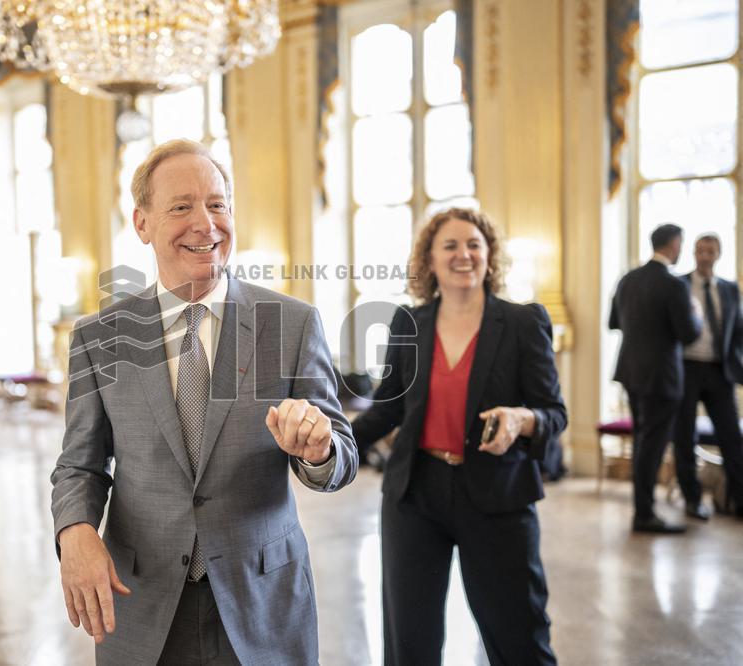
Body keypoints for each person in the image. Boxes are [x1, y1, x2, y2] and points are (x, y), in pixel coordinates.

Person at [50, 139, 358, 665]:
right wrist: (75, 530)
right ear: (142, 223)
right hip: (142, 604)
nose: (205, 223)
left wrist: (319, 450)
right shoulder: (98, 337)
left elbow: (342, 454)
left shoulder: (292, 323)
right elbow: (80, 463)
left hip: (262, 601)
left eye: (217, 204)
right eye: (181, 207)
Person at [352, 208, 567, 665]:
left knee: (520, 637)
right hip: (415, 494)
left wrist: (521, 420)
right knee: (410, 643)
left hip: (498, 495)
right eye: (449, 245)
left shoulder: (524, 322)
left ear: (490, 256)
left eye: (474, 244)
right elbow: (388, 406)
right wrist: (334, 442)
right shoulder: (409, 324)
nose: (463, 254)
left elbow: (554, 412)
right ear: (429, 260)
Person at [609, 223, 702, 533]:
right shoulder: (675, 286)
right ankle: (644, 513)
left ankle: (643, 508)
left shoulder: (627, 279)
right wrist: (697, 314)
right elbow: (688, 334)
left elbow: (614, 323)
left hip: (630, 371)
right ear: (674, 244)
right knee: (652, 444)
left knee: (642, 441)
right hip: (661, 376)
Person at [673, 233, 743, 520]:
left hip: (719, 370)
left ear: (718, 254)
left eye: (710, 251)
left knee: (732, 436)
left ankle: (739, 499)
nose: (704, 255)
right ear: (693, 253)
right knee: (684, 435)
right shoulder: (680, 285)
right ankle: (692, 499)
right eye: (700, 250)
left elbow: (737, 330)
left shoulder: (729, 289)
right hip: (686, 368)